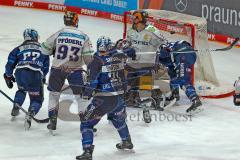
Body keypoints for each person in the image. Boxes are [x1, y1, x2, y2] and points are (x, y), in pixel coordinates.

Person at [76, 36, 135, 160]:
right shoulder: (120, 56)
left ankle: (87, 151)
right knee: (117, 119)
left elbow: (92, 83)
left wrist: (86, 94)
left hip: (104, 99)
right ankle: (126, 141)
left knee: (86, 123)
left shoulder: (95, 60)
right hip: (120, 97)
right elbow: (130, 55)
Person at [41, 10, 94, 133]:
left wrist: (53, 50)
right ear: (76, 21)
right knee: (80, 97)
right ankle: (86, 124)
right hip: (75, 70)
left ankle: (52, 120)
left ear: (65, 20)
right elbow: (88, 59)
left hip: (57, 69)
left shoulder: (59, 33)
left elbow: (44, 49)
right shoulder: (84, 36)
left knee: (54, 94)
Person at [4, 28, 49, 129]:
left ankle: (16, 105)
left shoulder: (18, 48)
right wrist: (43, 77)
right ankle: (31, 112)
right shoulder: (43, 49)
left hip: (20, 73)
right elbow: (46, 67)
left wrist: (8, 75)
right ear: (35, 37)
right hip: (35, 74)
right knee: (37, 99)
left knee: (22, 89)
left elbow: (10, 64)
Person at [126, 10, 167, 107]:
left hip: (146, 65)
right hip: (132, 64)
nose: (132, 20)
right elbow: (127, 44)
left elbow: (164, 43)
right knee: (129, 87)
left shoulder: (152, 31)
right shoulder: (130, 31)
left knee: (145, 89)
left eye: (134, 18)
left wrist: (164, 49)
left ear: (139, 19)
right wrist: (128, 49)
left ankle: (154, 99)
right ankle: (133, 99)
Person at [157, 40, 202, 113]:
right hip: (183, 54)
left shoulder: (160, 50)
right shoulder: (167, 56)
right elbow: (171, 68)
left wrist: (161, 53)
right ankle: (175, 95)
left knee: (182, 79)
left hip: (183, 54)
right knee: (173, 74)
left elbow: (166, 50)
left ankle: (195, 100)